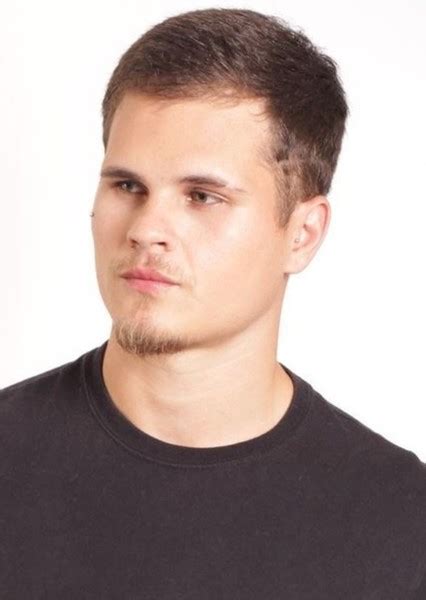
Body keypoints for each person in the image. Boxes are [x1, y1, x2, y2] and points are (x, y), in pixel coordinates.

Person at [1, 7, 425, 599]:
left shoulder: (402, 521)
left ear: (302, 234)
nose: (146, 229)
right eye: (127, 185)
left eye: (202, 196)